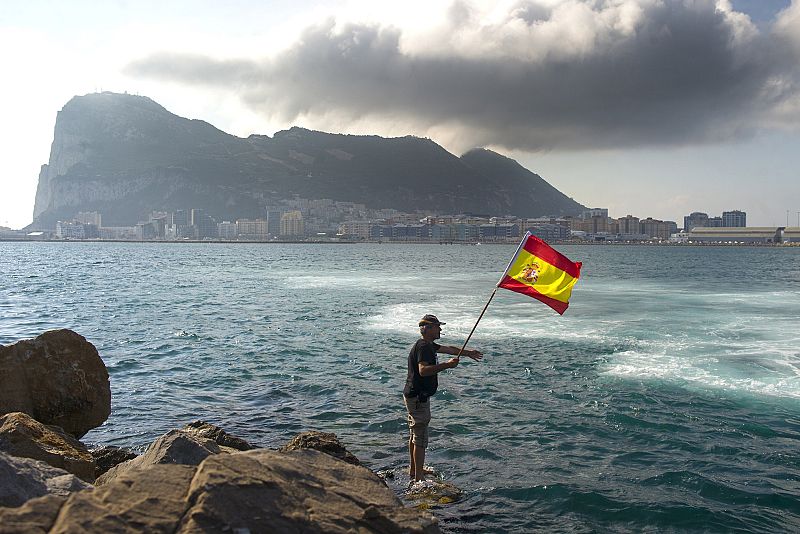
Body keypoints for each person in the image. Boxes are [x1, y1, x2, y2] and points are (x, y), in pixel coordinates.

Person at [403, 314, 483, 482]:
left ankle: (414, 469)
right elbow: (423, 370)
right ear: (428, 329)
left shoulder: (428, 345)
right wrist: (447, 365)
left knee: (415, 434)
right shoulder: (424, 347)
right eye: (437, 326)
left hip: (416, 397)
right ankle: (418, 479)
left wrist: (467, 353)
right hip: (418, 398)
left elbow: (448, 349)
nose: (440, 329)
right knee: (420, 437)